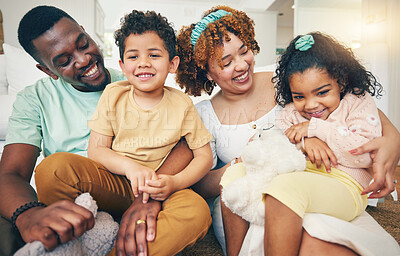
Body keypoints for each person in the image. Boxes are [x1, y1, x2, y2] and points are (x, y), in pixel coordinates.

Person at [175, 5, 400, 256]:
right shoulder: (204, 112)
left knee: (315, 234)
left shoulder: (285, 78)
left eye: (244, 51)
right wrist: (244, 162)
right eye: (226, 62)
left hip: (316, 179)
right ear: (205, 71)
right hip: (254, 192)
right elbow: (200, 183)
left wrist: (393, 138)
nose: (241, 65)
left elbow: (352, 106)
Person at [0, 5, 211, 256]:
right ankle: (78, 236)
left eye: (83, 43)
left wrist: (152, 195)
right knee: (51, 168)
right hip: (93, 188)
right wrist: (27, 214)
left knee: (196, 210)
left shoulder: (147, 88)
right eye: (65, 60)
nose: (83, 59)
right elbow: (11, 174)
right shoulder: (44, 98)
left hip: (155, 186)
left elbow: (191, 146)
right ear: (47, 70)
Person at [264, 32, 382, 255]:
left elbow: (366, 154)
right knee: (240, 174)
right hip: (308, 180)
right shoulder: (289, 113)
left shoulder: (357, 102)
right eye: (299, 96)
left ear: (341, 80)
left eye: (322, 92)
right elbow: (274, 145)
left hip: (347, 186)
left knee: (283, 189)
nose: (310, 105)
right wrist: (305, 143)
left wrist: (315, 129)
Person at [87, 10, 213, 206]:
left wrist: (174, 182)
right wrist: (129, 167)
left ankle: (153, 231)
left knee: (195, 209)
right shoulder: (113, 94)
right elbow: (96, 150)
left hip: (162, 187)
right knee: (56, 168)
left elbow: (204, 156)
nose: (143, 63)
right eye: (133, 57)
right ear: (122, 65)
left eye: (154, 55)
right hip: (116, 182)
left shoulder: (182, 104)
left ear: (172, 64)